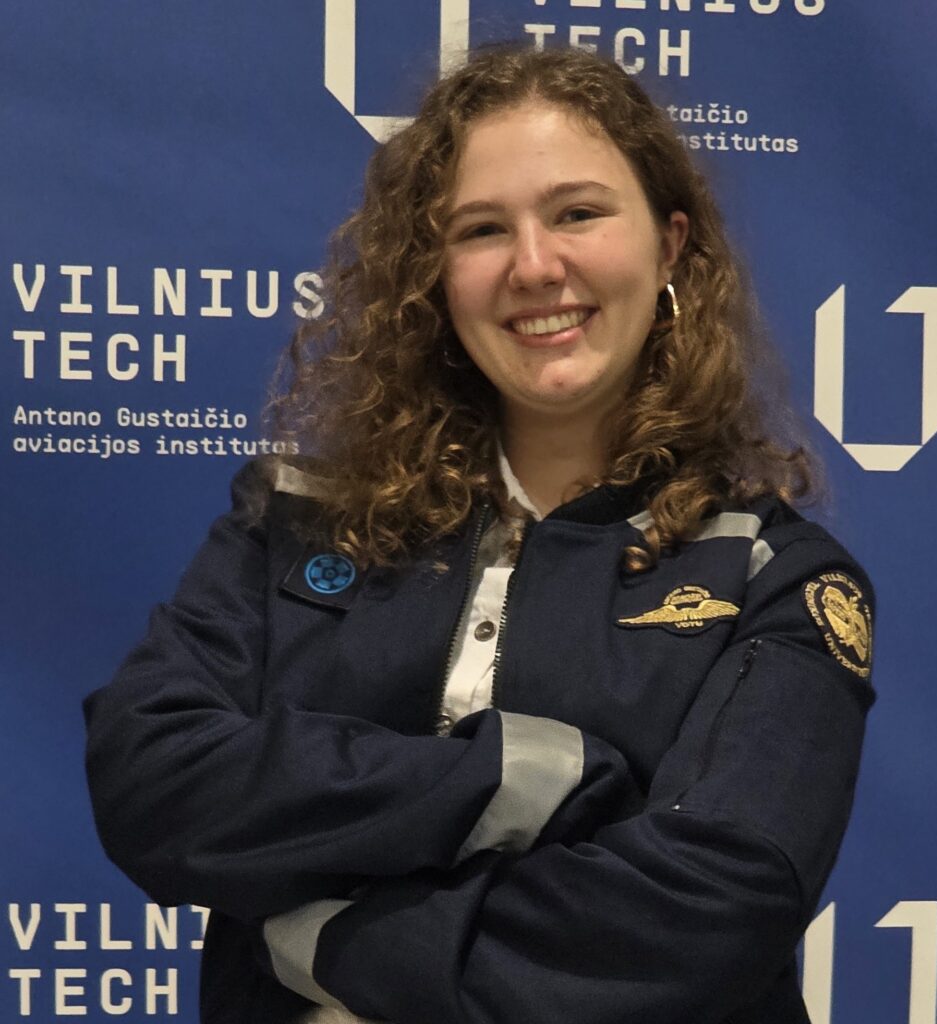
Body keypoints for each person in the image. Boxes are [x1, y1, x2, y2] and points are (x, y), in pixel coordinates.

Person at [85, 46, 875, 1024]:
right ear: (434, 273)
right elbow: (151, 777)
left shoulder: (773, 574)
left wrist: (325, 940)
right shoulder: (295, 519)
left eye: (578, 214)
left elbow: (709, 910)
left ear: (671, 245)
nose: (534, 266)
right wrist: (511, 779)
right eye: (482, 229)